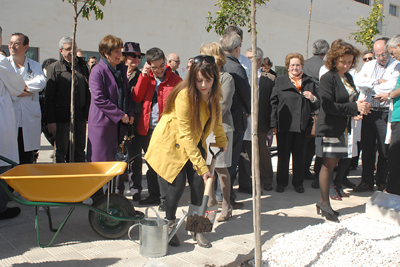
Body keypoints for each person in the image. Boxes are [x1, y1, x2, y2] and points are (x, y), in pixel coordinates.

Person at [145, 55, 228, 248]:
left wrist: (222, 140)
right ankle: (170, 224)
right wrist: (202, 166)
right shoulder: (185, 95)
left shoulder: (215, 93)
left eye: (208, 80)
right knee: (178, 181)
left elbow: (217, 120)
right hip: (171, 140)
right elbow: (185, 135)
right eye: (199, 80)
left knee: (199, 182)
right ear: (193, 79)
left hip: (194, 138)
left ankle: (197, 228)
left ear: (214, 78)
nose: (204, 84)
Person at [315, 39, 370, 222]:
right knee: (328, 165)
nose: (346, 65)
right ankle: (324, 203)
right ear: (334, 59)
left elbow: (348, 101)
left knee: (333, 164)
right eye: (342, 62)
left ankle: (324, 203)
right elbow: (329, 106)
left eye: (349, 62)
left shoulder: (348, 77)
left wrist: (358, 110)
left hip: (342, 127)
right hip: (330, 127)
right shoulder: (328, 78)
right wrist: (354, 108)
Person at [132, 47, 182, 206]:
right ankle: (154, 195)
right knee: (152, 164)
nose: (160, 70)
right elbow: (137, 97)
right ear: (148, 65)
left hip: (167, 130)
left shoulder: (175, 80)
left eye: (162, 65)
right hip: (148, 128)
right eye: (155, 67)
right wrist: (144, 76)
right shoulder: (147, 77)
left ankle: (166, 199)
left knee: (164, 165)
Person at [86, 35, 134, 196]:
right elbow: (99, 99)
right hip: (102, 126)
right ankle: (97, 199)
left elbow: (127, 94)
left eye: (121, 51)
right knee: (99, 166)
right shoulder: (97, 71)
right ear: (106, 53)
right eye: (116, 51)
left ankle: (111, 198)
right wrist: (120, 114)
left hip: (118, 125)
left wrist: (130, 113)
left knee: (115, 164)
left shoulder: (120, 69)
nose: (120, 54)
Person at [353, 37, 400, 192]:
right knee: (367, 149)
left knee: (384, 149)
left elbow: (392, 86)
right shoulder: (369, 65)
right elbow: (359, 82)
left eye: (384, 54)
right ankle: (366, 181)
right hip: (369, 111)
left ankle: (381, 180)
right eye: (378, 54)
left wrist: (371, 84)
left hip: (385, 112)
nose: (382, 57)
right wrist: (378, 81)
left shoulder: (396, 65)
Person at [270, 53, 319, 194]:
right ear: (287, 67)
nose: (295, 68)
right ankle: (281, 182)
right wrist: (273, 123)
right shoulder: (280, 81)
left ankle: (298, 183)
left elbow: (318, 104)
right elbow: (273, 103)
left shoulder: (309, 82)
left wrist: (313, 98)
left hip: (302, 125)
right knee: (283, 155)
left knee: (300, 156)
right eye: (292, 65)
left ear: (302, 66)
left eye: (298, 65)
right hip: (284, 124)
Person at [200, 42, 234, 222]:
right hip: (205, 129)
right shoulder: (204, 77)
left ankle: (227, 204)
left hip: (221, 129)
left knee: (220, 168)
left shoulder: (226, 78)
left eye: (204, 55)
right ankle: (211, 201)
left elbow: (223, 105)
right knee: (207, 167)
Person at [45, 37, 90, 163]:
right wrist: (51, 121)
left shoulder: (82, 67)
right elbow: (49, 97)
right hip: (62, 118)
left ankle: (78, 178)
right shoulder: (55, 68)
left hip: (80, 117)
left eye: (73, 48)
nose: (71, 51)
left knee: (79, 150)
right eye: (68, 49)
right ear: (61, 50)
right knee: (61, 151)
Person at [220, 31, 251, 209]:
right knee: (229, 162)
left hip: (218, 119)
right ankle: (227, 198)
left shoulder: (218, 64)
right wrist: (249, 109)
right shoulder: (236, 67)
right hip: (234, 119)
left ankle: (220, 195)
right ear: (237, 48)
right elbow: (246, 95)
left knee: (218, 162)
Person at [8, 32, 46, 164]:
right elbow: (6, 87)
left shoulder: (34, 66)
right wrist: (27, 89)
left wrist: (16, 89)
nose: (12, 46)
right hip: (10, 118)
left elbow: (40, 83)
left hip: (28, 120)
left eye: (16, 43)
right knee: (9, 159)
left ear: (25, 47)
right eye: (10, 43)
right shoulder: (4, 64)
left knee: (26, 159)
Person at [0, 26, 25, 220]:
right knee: (2, 165)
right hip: (2, 120)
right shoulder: (1, 62)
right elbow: (18, 86)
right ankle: (1, 208)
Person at [302, 39, 330, 188]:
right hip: (318, 109)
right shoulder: (325, 67)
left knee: (303, 142)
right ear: (326, 52)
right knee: (314, 143)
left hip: (303, 108)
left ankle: (302, 169)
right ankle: (308, 170)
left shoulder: (304, 64)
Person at [120, 41, 145, 201]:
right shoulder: (118, 72)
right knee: (119, 159)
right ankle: (118, 191)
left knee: (135, 158)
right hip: (118, 120)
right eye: (132, 56)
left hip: (135, 122)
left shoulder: (141, 75)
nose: (136, 59)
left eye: (138, 56)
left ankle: (136, 191)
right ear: (124, 56)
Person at [377, 35, 400, 195]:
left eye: (392, 52)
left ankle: (392, 190)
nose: (393, 57)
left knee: (394, 155)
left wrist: (390, 95)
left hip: (398, 117)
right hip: (396, 114)